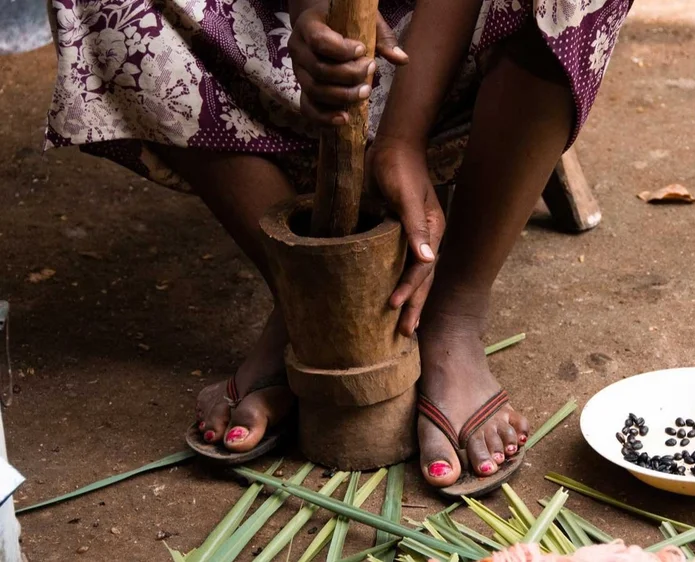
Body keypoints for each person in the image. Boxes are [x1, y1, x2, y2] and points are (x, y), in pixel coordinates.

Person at [45, 0, 631, 490]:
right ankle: (313, 298)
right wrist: (312, 17)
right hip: (261, 31)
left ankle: (451, 314)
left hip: (456, 34)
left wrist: (401, 138)